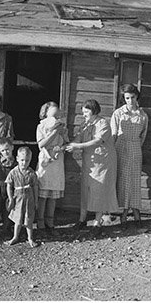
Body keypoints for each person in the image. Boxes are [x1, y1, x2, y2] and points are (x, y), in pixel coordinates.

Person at [65, 99, 118, 232]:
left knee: (99, 190)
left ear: (93, 110)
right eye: (83, 112)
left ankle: (97, 222)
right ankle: (82, 220)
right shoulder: (85, 125)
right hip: (89, 162)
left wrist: (78, 146)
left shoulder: (103, 123)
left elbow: (97, 141)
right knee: (86, 190)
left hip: (103, 162)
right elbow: (77, 139)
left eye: (86, 112)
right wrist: (66, 146)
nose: (84, 114)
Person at [111, 84, 149, 224]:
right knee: (123, 179)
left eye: (132, 97)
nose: (130, 101)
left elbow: (143, 136)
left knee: (134, 179)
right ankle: (123, 212)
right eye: (127, 98)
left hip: (135, 147)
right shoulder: (118, 113)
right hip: (120, 146)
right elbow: (113, 134)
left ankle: (134, 210)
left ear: (137, 96)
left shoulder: (142, 115)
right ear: (124, 98)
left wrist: (136, 145)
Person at [35, 101, 66, 233]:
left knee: (53, 195)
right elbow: (41, 144)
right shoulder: (41, 127)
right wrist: (54, 132)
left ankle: (50, 221)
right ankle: (40, 221)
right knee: (43, 195)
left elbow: (66, 142)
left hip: (57, 161)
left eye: (56, 112)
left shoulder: (62, 126)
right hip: (45, 161)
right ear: (46, 113)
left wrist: (61, 147)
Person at [6, 145, 41, 247]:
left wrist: (36, 200)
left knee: (28, 220)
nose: (24, 163)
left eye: (27, 161)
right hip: (18, 200)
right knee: (18, 220)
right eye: (22, 160)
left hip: (29, 200)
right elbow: (8, 185)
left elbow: (35, 187)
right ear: (17, 159)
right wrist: (10, 198)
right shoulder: (13, 172)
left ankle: (30, 238)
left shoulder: (31, 173)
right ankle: (15, 237)